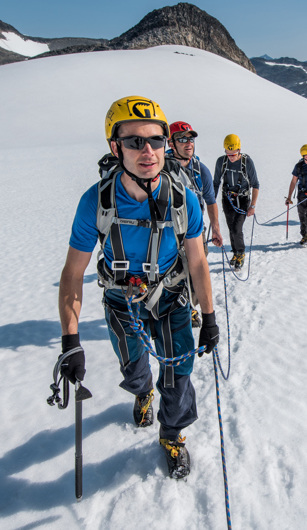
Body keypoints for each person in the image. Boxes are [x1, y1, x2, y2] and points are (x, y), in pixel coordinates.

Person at [57, 96, 220, 480]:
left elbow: (196, 261)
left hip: (170, 295)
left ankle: (172, 433)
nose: (148, 151)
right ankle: (141, 390)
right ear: (116, 147)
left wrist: (209, 316)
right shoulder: (95, 203)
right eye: (134, 141)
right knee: (133, 369)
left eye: (155, 140)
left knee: (179, 373)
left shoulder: (184, 201)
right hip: (121, 299)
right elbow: (72, 274)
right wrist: (70, 339)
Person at [166, 121, 221, 327]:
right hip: (169, 231)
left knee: (197, 270)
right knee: (172, 273)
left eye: (190, 138)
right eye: (182, 138)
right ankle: (175, 308)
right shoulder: (160, 168)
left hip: (195, 231)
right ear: (171, 143)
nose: (188, 143)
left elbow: (211, 201)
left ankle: (191, 308)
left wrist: (215, 228)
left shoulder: (201, 170)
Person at [213, 134, 260, 270]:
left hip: (243, 200)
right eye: (228, 154)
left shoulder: (247, 163)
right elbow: (216, 183)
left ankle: (241, 253)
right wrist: (211, 201)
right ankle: (235, 253)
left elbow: (255, 184)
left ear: (239, 150)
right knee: (231, 228)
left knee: (236, 228)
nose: (231, 157)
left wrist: (253, 205)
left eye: (233, 154)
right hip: (227, 199)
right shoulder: (221, 162)